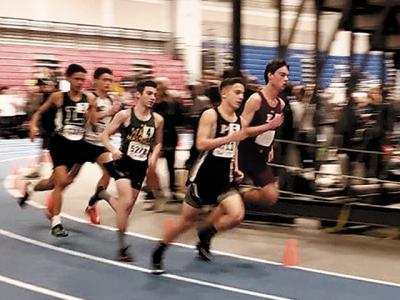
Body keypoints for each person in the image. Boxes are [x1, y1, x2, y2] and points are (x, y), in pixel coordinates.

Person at [151, 77, 247, 274]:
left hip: (224, 180)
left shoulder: (240, 120)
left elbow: (233, 146)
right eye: (237, 92)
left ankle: (206, 233)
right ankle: (160, 249)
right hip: (203, 179)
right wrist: (228, 138)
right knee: (186, 222)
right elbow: (201, 144)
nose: (241, 97)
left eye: (243, 93)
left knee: (237, 215)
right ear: (224, 93)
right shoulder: (210, 115)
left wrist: (236, 166)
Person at [28, 63, 96, 237]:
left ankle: (30, 189)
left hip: (77, 146)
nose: (80, 82)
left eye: (83, 79)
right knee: (62, 181)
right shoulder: (58, 97)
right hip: (59, 144)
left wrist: (98, 116)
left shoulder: (88, 99)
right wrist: (33, 126)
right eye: (77, 79)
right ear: (68, 78)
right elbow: (39, 113)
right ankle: (56, 222)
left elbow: (93, 121)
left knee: (53, 183)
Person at [101, 79, 164, 261]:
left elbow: (158, 142)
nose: (153, 97)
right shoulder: (125, 115)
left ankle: (103, 195)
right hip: (123, 163)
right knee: (126, 201)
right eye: (149, 93)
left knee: (125, 208)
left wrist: (153, 156)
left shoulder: (158, 120)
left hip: (140, 166)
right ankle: (122, 248)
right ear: (139, 95)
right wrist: (113, 150)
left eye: (155, 94)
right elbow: (104, 135)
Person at [238, 59, 288, 205]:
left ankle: (239, 198)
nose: (286, 79)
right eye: (282, 75)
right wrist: (267, 126)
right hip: (243, 154)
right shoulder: (255, 99)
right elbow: (242, 130)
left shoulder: (281, 104)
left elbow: (272, 129)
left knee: (271, 196)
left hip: (261, 157)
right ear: (270, 75)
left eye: (287, 76)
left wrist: (269, 145)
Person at [81, 67, 122, 224]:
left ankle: (92, 205)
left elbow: (111, 123)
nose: (107, 83)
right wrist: (109, 112)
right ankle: (50, 194)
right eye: (104, 80)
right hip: (84, 143)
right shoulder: (91, 97)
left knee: (109, 171)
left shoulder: (111, 100)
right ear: (95, 81)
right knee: (68, 179)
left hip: (100, 144)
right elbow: (91, 119)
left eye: (110, 80)